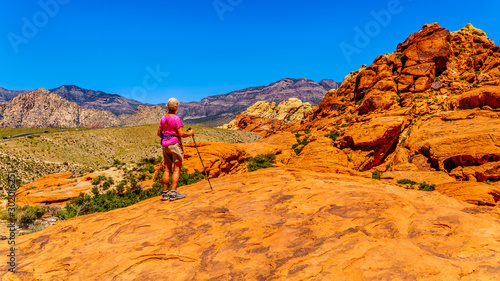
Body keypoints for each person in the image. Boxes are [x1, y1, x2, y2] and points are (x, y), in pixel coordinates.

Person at [157, 98, 194, 201]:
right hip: (175, 145)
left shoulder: (163, 118)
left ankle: (165, 194)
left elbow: (159, 133)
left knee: (167, 169)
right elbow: (181, 134)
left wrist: (167, 138)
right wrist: (190, 133)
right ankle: (173, 193)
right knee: (176, 168)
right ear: (176, 107)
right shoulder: (176, 118)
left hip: (165, 145)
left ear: (167, 107)